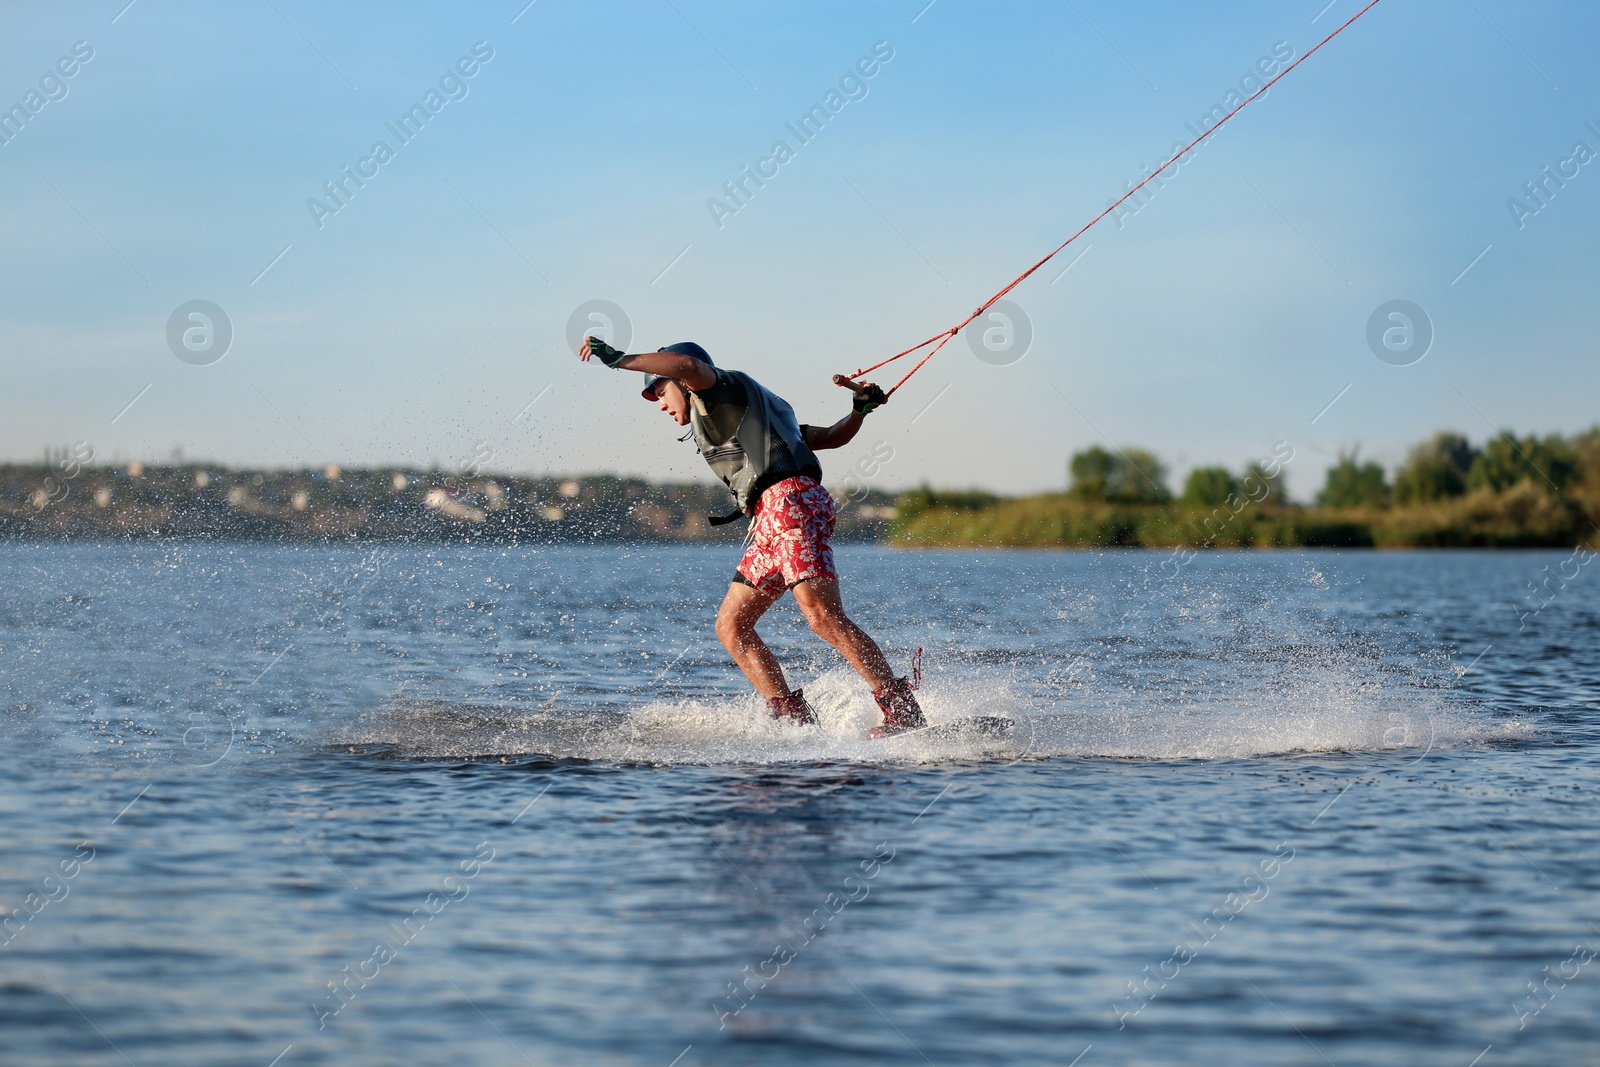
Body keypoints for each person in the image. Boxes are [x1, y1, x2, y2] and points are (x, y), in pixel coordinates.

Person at [578, 336, 927, 737]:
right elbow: (831, 437)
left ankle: (902, 711)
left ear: (682, 380)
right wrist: (859, 411)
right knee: (732, 625)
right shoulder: (755, 411)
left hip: (790, 505)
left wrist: (618, 359)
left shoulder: (717, 390)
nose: (659, 401)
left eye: (660, 388)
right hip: (771, 518)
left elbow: (690, 367)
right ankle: (793, 722)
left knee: (822, 616)